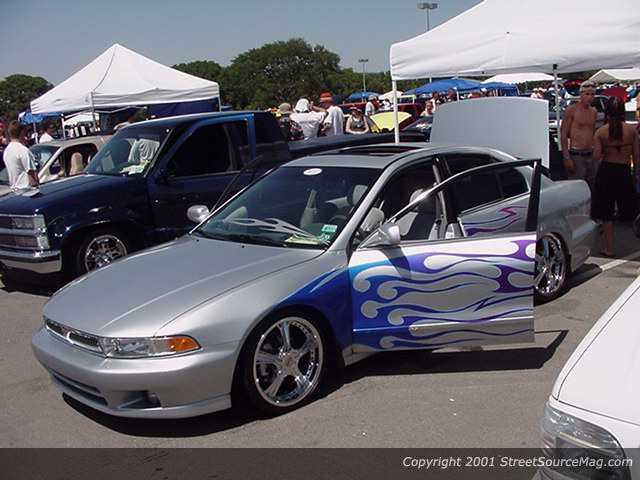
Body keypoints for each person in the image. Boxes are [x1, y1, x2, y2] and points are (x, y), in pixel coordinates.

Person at [591, 96, 640, 257]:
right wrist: (636, 174)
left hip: (606, 172)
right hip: (624, 172)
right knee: (630, 211)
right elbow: (636, 156)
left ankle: (610, 248)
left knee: (606, 213)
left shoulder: (601, 132)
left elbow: (596, 157)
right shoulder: (632, 131)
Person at [560, 81, 598, 188]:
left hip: (590, 153)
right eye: (587, 94)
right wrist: (566, 157)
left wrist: (597, 152)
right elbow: (563, 133)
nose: (590, 97)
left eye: (592, 94)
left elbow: (592, 133)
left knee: (591, 186)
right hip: (576, 154)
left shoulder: (593, 111)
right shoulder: (572, 110)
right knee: (577, 186)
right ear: (581, 94)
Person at [3, 120, 39, 189]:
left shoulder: (7, 151)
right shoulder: (23, 150)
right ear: (22, 132)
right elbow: (32, 176)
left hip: (14, 190)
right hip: (27, 190)